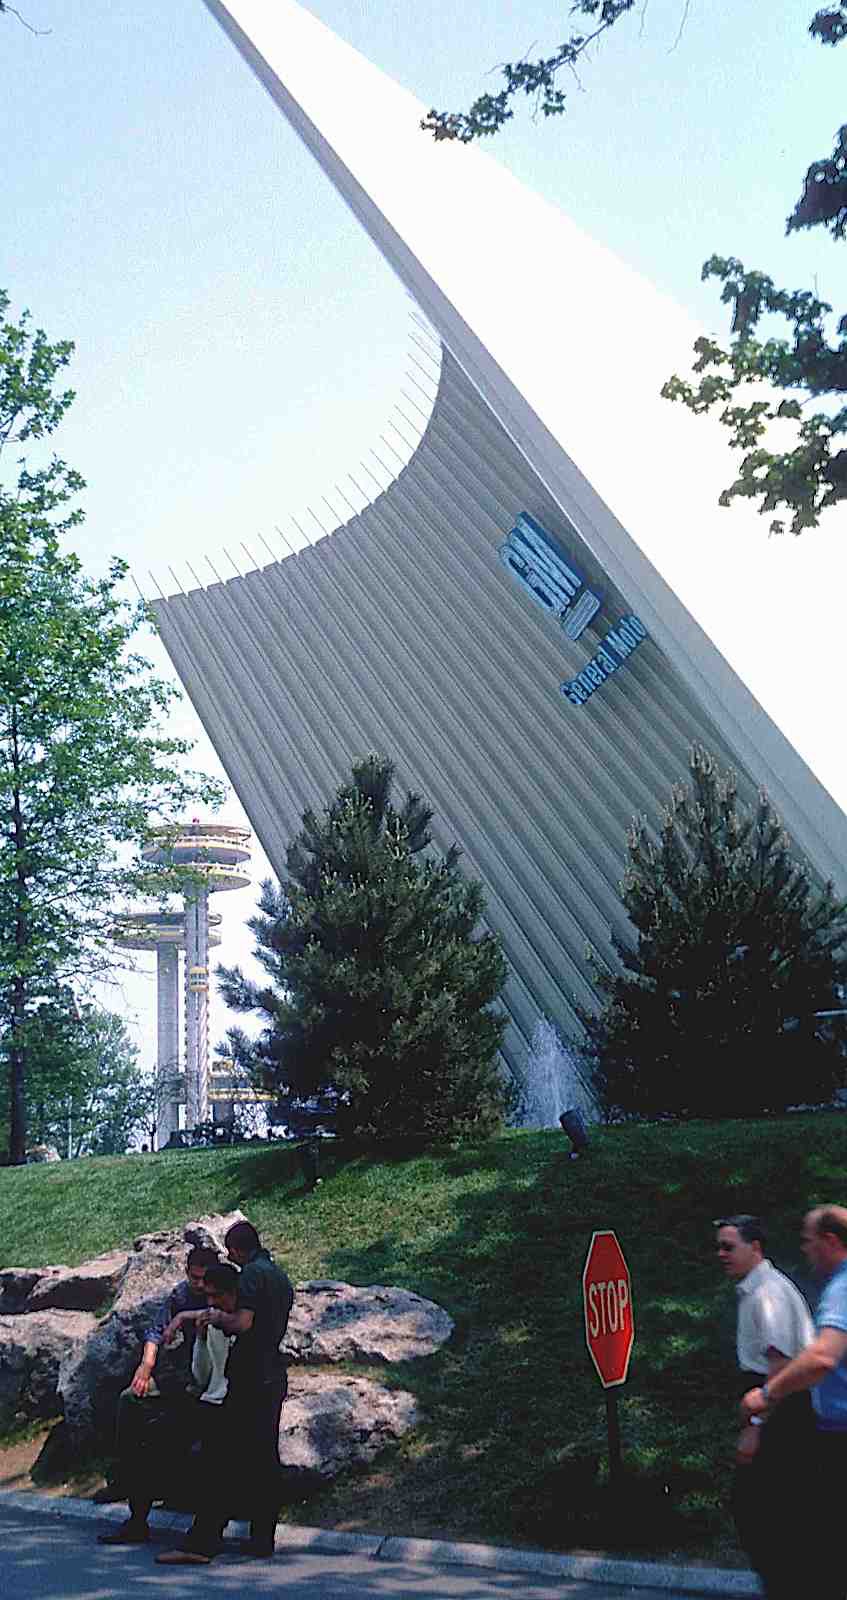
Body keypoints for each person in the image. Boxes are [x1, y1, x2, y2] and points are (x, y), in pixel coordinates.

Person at [156, 1221, 295, 1565]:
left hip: (248, 1378)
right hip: (273, 1374)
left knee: (218, 1460)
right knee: (264, 1462)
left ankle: (203, 1542)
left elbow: (242, 1322)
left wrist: (215, 1319)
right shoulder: (279, 1276)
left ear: (235, 1249)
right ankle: (262, 1539)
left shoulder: (250, 1275)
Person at [741, 1205, 847, 1600]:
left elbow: (822, 1356)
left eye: (808, 1241)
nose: (805, 1249)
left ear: (830, 1241)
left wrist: (766, 1394)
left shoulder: (842, 1288)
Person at [714, 1214, 813, 1599]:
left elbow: (780, 1366)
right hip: (775, 1401)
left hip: (781, 1407)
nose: (721, 1254)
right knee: (769, 1512)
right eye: (718, 1246)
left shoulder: (766, 1293)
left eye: (729, 1246)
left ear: (755, 1248)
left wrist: (755, 1426)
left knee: (758, 1510)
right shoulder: (756, 1288)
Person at [98, 1244, 220, 1545]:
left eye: (205, 1279)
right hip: (189, 1373)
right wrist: (146, 1365)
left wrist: (186, 1318)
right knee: (130, 1398)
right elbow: (155, 1331)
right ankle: (125, 1487)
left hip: (216, 1380)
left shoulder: (227, 1289)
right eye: (195, 1278)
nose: (200, 1285)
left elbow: (224, 1315)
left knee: (164, 1436)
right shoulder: (181, 1294)